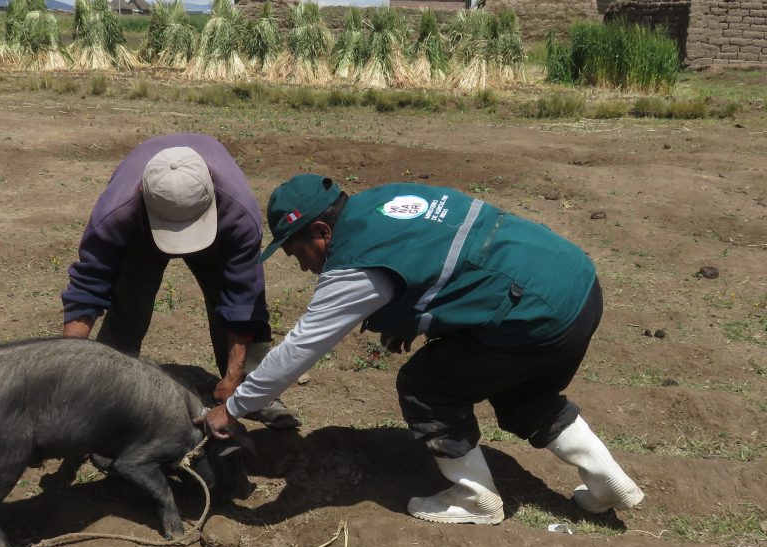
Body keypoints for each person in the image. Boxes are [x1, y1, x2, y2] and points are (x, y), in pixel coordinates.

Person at [197, 174, 644, 524]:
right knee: (524, 394)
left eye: (298, 254)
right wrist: (407, 318)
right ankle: (609, 485)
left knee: (426, 385)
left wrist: (233, 408)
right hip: (577, 285)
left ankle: (475, 500)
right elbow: (443, 258)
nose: (304, 267)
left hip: (534, 311)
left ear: (321, 231)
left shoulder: (354, 262)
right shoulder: (385, 200)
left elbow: (299, 350)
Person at [61, 134, 299, 428]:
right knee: (129, 306)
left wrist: (234, 376)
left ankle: (255, 390)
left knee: (239, 306)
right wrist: (64, 372)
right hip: (142, 234)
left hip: (217, 230)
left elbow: (243, 297)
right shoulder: (117, 214)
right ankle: (108, 387)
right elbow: (87, 288)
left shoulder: (238, 214)